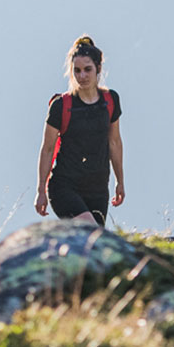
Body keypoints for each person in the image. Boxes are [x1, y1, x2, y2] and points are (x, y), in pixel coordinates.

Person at [36, 35, 126, 226]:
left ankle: (59, 254)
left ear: (98, 69)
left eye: (87, 70)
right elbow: (47, 149)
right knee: (91, 231)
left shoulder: (110, 101)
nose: (82, 76)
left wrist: (120, 181)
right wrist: (41, 191)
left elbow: (115, 142)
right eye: (77, 71)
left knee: (91, 246)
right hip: (65, 186)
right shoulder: (61, 106)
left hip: (98, 189)